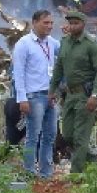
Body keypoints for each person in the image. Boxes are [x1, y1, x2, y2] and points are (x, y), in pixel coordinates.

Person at [49, 8, 97, 173]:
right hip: (69, 95)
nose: (73, 26)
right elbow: (59, 68)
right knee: (67, 134)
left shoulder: (91, 45)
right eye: (71, 23)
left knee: (81, 136)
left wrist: (95, 96)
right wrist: (52, 90)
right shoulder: (65, 42)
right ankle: (92, 160)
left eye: (76, 23)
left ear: (83, 24)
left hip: (85, 95)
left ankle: (76, 174)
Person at [11, 10, 59, 178]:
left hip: (51, 96)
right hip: (34, 97)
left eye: (51, 23)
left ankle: (46, 172)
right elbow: (18, 73)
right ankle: (29, 171)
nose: (50, 26)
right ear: (34, 23)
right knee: (33, 136)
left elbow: (67, 51)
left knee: (50, 135)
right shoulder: (24, 44)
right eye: (46, 23)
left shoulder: (52, 43)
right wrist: (22, 98)